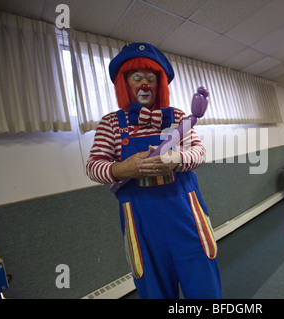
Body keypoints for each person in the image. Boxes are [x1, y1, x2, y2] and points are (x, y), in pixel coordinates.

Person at [86, 42, 222, 299]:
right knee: (154, 292)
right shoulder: (111, 124)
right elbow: (93, 167)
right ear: (124, 83)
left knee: (204, 288)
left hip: (186, 218)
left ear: (160, 84)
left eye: (151, 78)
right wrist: (122, 168)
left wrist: (177, 159)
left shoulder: (180, 116)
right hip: (141, 225)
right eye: (136, 77)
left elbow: (199, 152)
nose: (144, 84)